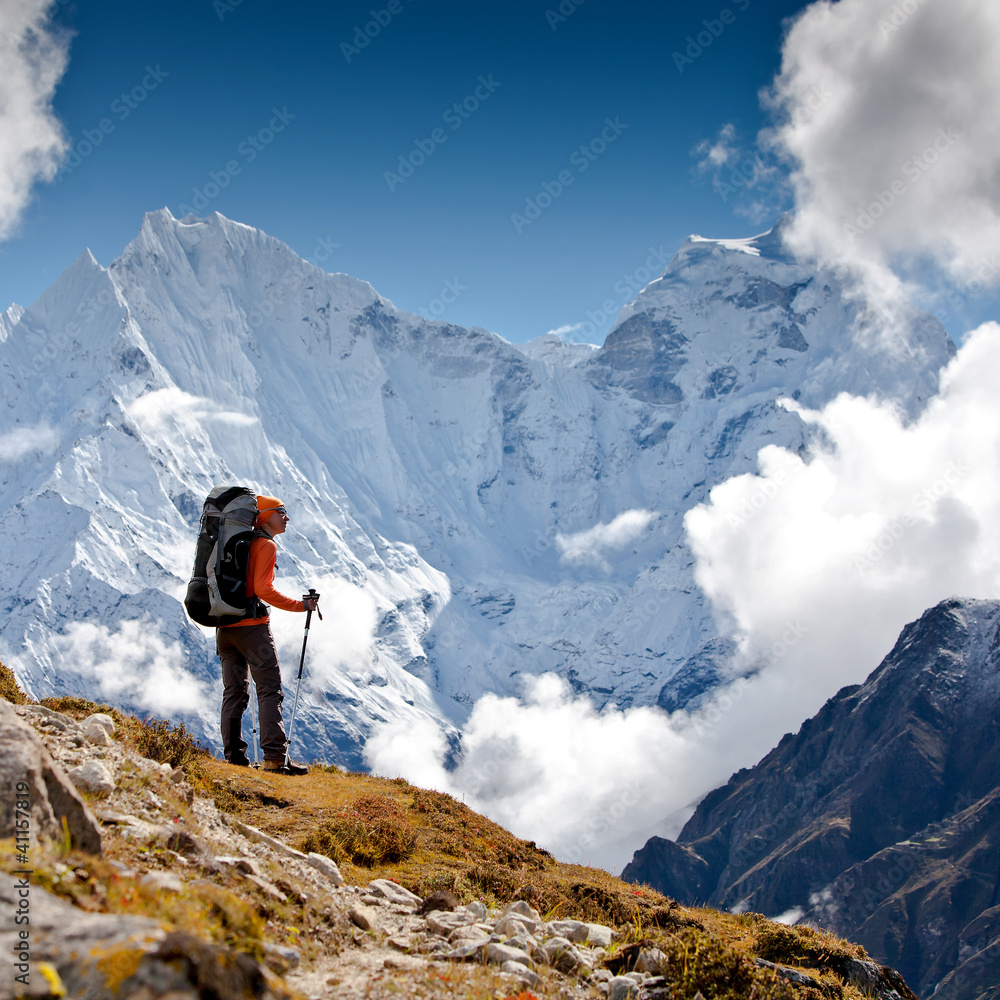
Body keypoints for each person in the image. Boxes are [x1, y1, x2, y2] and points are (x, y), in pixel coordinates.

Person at [217, 494, 318, 774]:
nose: (286, 517)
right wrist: (301, 606)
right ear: (264, 516)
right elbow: (263, 589)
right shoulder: (265, 545)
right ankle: (274, 758)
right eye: (281, 511)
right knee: (269, 690)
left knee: (234, 692)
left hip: (225, 627)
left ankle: (234, 760)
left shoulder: (237, 542)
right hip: (252, 629)